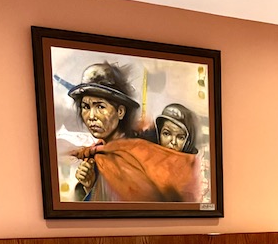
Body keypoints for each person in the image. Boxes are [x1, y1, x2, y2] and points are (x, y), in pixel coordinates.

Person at [67, 63, 200, 203]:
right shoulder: (95, 156)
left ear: (120, 111)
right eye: (86, 107)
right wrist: (89, 186)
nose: (91, 116)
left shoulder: (139, 152)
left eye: (100, 106)